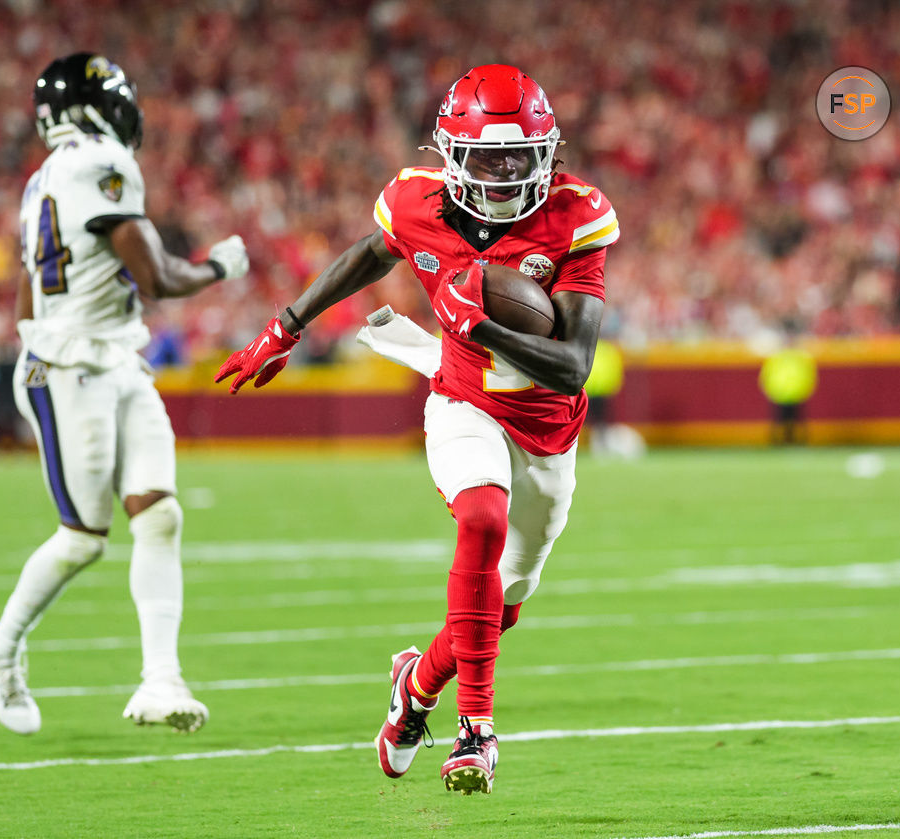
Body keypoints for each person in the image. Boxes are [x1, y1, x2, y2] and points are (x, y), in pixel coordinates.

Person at [217, 65, 618, 794]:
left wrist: (483, 322)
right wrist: (284, 328)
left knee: (503, 603)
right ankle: (477, 732)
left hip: (547, 429)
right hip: (461, 394)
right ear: (452, 155)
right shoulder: (415, 201)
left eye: (520, 157)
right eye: (489, 157)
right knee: (481, 515)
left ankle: (417, 683)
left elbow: (572, 366)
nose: (504, 173)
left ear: (547, 154)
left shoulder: (576, 213)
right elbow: (366, 256)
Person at [0, 53, 249, 736]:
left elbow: (30, 285)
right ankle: (0, 647)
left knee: (160, 515)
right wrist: (219, 265)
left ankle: (162, 679)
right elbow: (154, 276)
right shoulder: (101, 161)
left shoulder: (45, 177)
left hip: (112, 358)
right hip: (73, 369)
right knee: (84, 537)